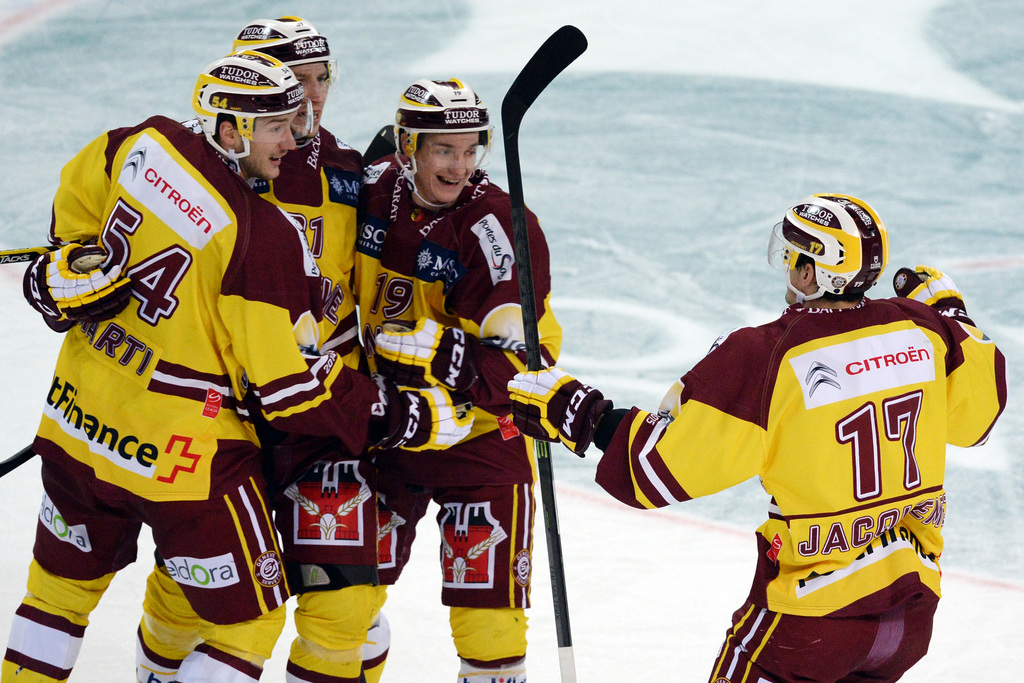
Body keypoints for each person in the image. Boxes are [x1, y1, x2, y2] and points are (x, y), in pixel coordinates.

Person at [6, 51, 471, 683]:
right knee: (248, 625)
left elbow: (76, 212)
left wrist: (59, 271)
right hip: (182, 461)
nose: (294, 132)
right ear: (230, 130)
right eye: (277, 123)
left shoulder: (142, 142)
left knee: (52, 602)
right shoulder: (261, 236)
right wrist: (396, 413)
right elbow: (288, 391)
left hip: (75, 424)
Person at [507, 194, 1006, 682]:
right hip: (910, 618)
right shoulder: (926, 331)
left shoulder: (768, 356)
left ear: (810, 272)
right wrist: (952, 313)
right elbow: (978, 416)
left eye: (792, 256)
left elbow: (658, 469)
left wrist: (579, 412)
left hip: (810, 623)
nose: (786, 267)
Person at [129, 18, 395, 683]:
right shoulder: (195, 173)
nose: (308, 98)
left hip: (320, 420)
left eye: (318, 79)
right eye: (290, 84)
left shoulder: (348, 172)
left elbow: (389, 288)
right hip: (222, 417)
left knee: (351, 608)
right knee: (188, 603)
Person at [356, 78, 563, 683]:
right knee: (344, 604)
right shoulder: (367, 191)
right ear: (407, 145)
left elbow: (525, 365)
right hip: (388, 429)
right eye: (444, 149)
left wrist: (443, 352)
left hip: (480, 438)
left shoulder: (499, 224)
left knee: (490, 629)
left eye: (472, 148)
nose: (460, 164)